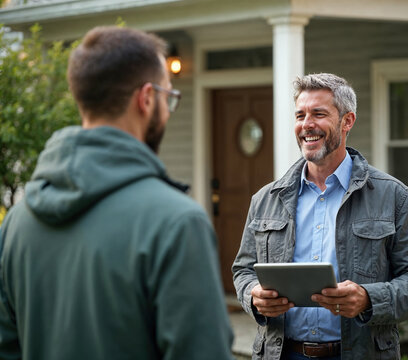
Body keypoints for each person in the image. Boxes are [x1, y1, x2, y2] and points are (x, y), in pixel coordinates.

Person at [0, 26, 234, 360]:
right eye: (169, 97)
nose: (167, 110)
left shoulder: (16, 224)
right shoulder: (177, 223)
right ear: (147, 98)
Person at [232, 73, 408, 360]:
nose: (307, 125)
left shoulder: (393, 196)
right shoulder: (266, 199)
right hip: (282, 353)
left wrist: (368, 299)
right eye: (300, 115)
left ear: (347, 121)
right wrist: (253, 294)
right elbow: (243, 270)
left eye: (319, 114)